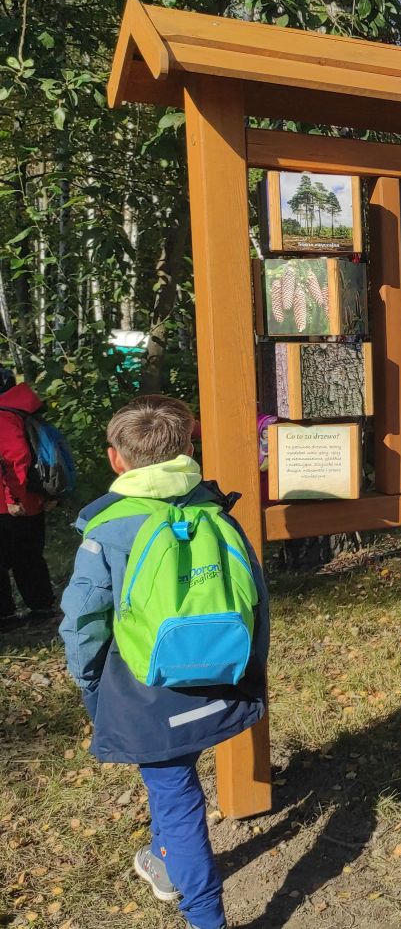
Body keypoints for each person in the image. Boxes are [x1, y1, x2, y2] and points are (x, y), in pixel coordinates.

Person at [59, 395, 269, 929]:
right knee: (174, 779)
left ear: (116, 459)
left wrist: (90, 685)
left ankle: (205, 916)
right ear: (187, 450)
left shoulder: (108, 528)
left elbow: (83, 621)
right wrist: (253, 672)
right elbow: (256, 601)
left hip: (146, 689)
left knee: (175, 794)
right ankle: (163, 857)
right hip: (222, 673)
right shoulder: (214, 512)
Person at [0, 367, 56, 629]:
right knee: (29, 556)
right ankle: (41, 608)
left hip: (10, 503)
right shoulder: (24, 409)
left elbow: (16, 458)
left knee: (11, 559)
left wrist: (13, 497)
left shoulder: (3, 415)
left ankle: (6, 616)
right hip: (31, 498)